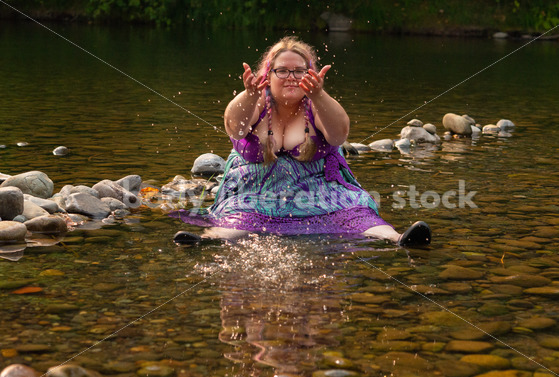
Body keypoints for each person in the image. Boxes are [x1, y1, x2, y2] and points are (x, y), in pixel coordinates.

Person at [172, 36, 430, 246]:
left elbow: (339, 135)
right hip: (257, 188)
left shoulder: (315, 105)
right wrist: (250, 95)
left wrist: (318, 95)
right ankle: (208, 240)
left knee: (355, 211)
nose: (291, 77)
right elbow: (235, 128)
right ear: (268, 75)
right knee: (241, 216)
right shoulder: (258, 100)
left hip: (316, 187)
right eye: (282, 70)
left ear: (311, 76)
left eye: (299, 71)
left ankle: (397, 239)